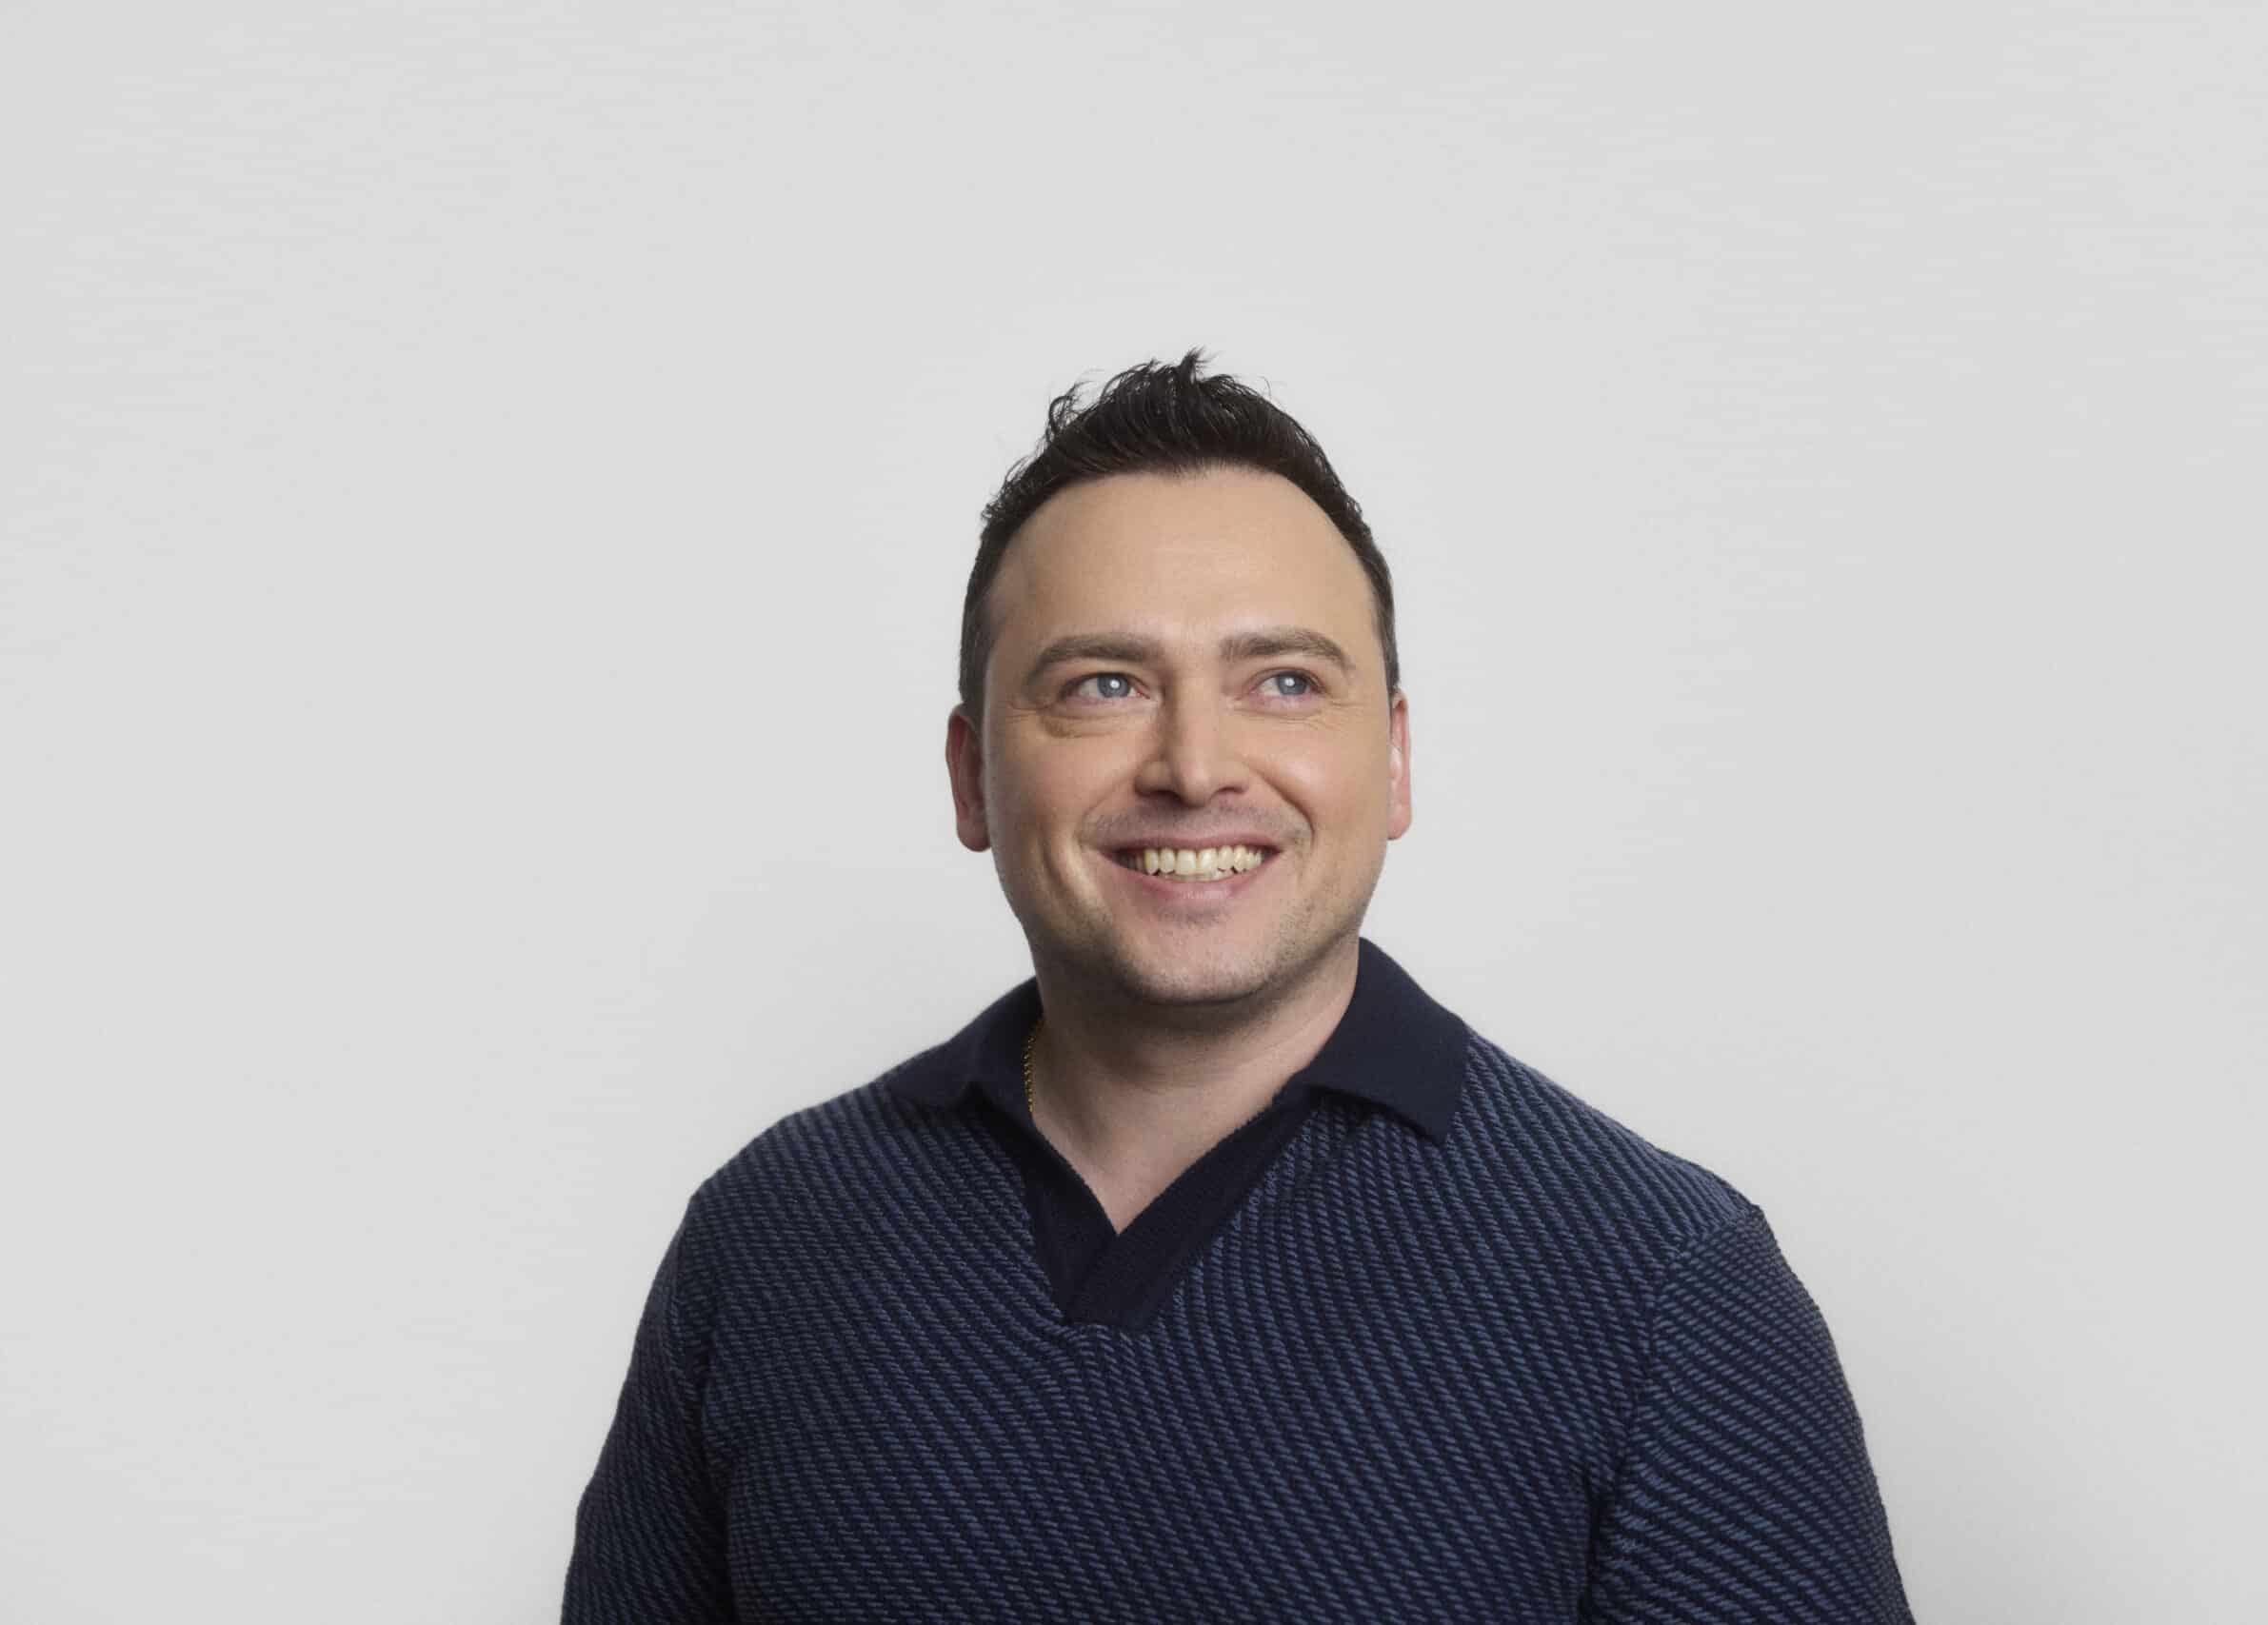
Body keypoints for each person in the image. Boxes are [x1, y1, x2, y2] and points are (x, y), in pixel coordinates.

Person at [561, 351, 1915, 1622]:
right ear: (975, 775)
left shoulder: (1661, 1289)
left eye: (1281, 681)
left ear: (1390, 763)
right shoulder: (766, 1243)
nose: (1196, 764)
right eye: (1102, 685)